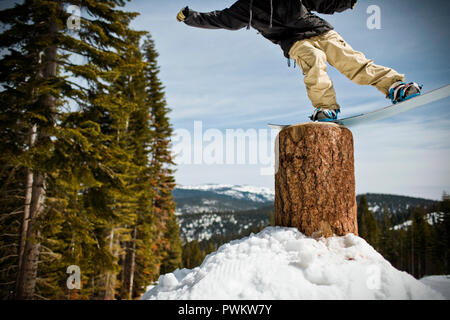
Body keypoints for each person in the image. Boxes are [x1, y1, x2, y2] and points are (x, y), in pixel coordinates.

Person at [176, 0, 422, 122]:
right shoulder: (246, 8)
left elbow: (323, 2)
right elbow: (220, 19)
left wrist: (347, 1)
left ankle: (394, 86)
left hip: (320, 31)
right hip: (293, 41)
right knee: (313, 59)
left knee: (350, 61)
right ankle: (326, 107)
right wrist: (190, 17)